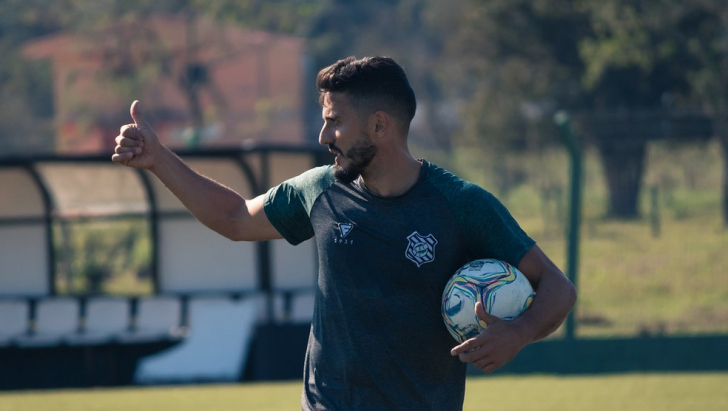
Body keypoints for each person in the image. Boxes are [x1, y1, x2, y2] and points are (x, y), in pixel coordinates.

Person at [112, 56, 576, 410]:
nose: (323, 135)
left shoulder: (461, 204)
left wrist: (521, 332)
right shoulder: (319, 189)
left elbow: (557, 286)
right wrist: (159, 159)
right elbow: (234, 218)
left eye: (334, 120)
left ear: (379, 125)